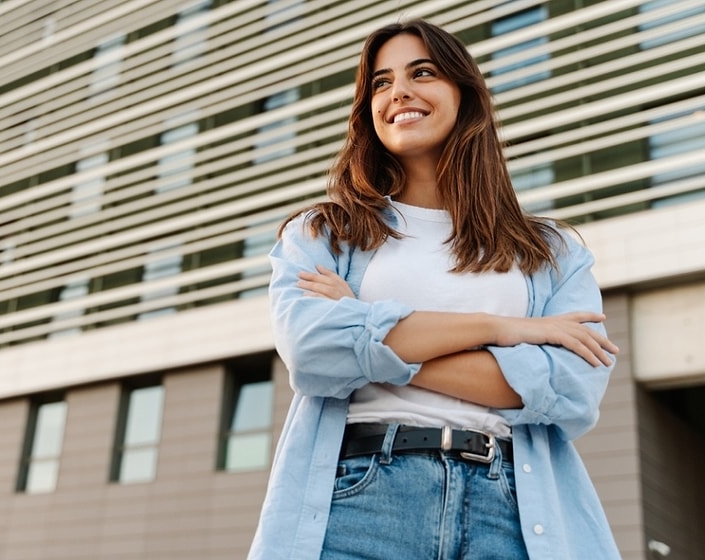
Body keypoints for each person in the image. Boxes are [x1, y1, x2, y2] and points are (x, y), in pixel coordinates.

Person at [248, 19, 622, 560]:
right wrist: (506, 330)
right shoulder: (324, 232)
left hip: (511, 507)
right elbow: (312, 352)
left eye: (422, 72)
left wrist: (368, 329)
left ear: (464, 94)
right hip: (360, 500)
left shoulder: (551, 251)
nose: (398, 90)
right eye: (380, 81)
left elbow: (570, 391)